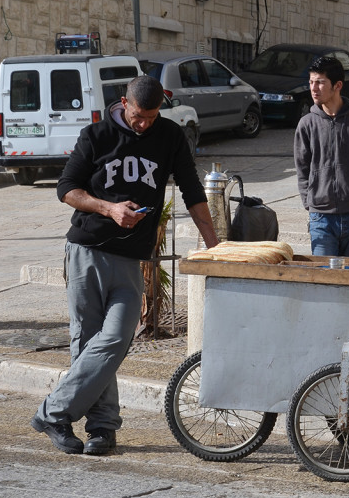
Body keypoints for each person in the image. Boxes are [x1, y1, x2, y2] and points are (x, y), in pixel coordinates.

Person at [31, 75, 219, 456]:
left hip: (132, 257)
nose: (143, 124)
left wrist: (215, 245)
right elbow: (66, 188)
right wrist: (108, 208)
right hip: (87, 250)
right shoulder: (96, 135)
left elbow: (192, 190)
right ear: (123, 103)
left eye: (150, 116)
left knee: (116, 339)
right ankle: (102, 427)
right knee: (87, 342)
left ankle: (53, 412)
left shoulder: (169, 136)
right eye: (138, 116)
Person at [294, 55, 349, 257]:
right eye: (311, 82)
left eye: (320, 82)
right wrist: (310, 203)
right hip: (322, 219)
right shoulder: (307, 124)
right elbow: (302, 170)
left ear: (337, 85)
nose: (313, 88)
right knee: (325, 281)